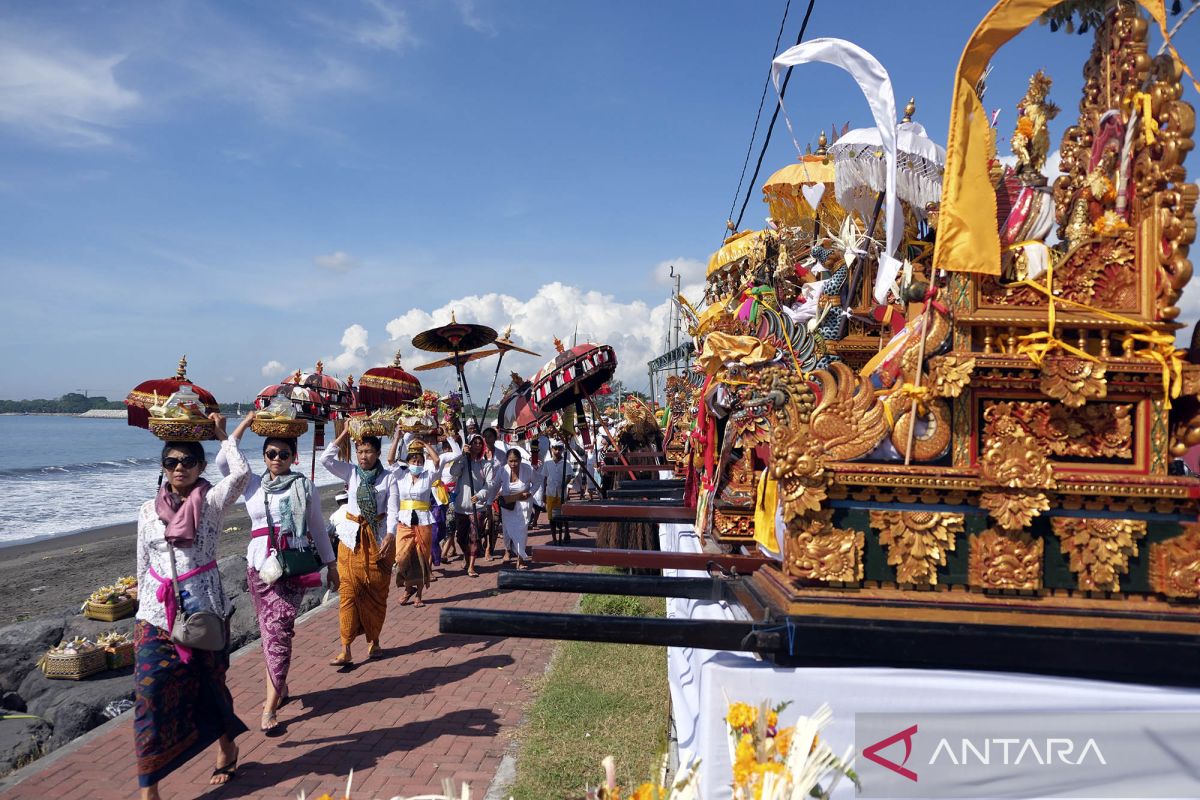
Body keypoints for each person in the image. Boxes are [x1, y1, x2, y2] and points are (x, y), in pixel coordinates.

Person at [133, 413, 251, 799]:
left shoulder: (213, 501)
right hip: (155, 613)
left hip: (204, 609)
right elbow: (141, 563)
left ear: (200, 466)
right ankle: (150, 788)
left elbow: (241, 474)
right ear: (163, 468)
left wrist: (222, 435)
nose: (179, 468)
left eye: (187, 461)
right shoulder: (148, 511)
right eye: (171, 462)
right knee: (148, 694)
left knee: (210, 683)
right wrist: (139, 603)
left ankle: (226, 746)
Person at [216, 414, 339, 733]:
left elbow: (317, 527)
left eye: (284, 454)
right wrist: (241, 425)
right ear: (264, 455)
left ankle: (270, 706)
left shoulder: (304, 485)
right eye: (271, 453)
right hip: (260, 569)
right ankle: (280, 687)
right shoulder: (252, 483)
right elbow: (224, 462)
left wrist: (331, 563)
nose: (277, 459)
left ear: (294, 456)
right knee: (270, 632)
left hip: (293, 567)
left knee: (279, 630)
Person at [322, 429, 398, 665]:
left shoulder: (388, 477)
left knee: (376, 592)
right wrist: (345, 432)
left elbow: (394, 508)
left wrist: (391, 535)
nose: (363, 456)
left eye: (368, 451)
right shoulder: (350, 472)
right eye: (359, 451)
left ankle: (374, 641)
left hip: (378, 540)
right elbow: (326, 459)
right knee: (348, 593)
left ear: (377, 453)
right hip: (350, 538)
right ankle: (345, 648)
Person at [391, 437, 460, 607]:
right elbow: (390, 459)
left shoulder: (428, 476)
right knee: (402, 557)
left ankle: (418, 594)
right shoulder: (401, 475)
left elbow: (436, 460)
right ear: (408, 462)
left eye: (420, 460)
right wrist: (397, 437)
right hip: (405, 521)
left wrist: (425, 444)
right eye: (414, 460)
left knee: (422, 558)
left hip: (423, 520)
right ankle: (408, 587)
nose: (417, 463)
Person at [448, 433, 495, 578]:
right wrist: (462, 456)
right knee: (460, 538)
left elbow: (489, 484)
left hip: (477, 507)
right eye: (474, 443)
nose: (477, 445)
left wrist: (480, 495)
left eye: (480, 443)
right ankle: (467, 557)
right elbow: (453, 472)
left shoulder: (486, 464)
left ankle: (472, 566)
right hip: (461, 507)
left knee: (474, 537)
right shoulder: (464, 462)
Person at [490, 448, 536, 569]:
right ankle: (508, 550)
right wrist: (488, 500)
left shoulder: (528, 469)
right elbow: (494, 486)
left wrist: (530, 493)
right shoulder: (502, 470)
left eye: (516, 461)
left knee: (522, 531)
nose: (513, 464)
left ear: (520, 460)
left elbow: (538, 482)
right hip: (508, 505)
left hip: (524, 504)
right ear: (507, 461)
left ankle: (520, 560)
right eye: (510, 461)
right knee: (507, 531)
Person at [543, 440, 570, 544]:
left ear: (563, 450)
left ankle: (566, 532)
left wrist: (565, 483)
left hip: (561, 494)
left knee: (563, 516)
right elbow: (545, 479)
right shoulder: (547, 463)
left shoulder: (566, 463)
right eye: (555, 448)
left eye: (559, 449)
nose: (557, 451)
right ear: (552, 449)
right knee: (552, 518)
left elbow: (569, 476)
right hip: (550, 493)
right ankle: (554, 538)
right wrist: (544, 494)